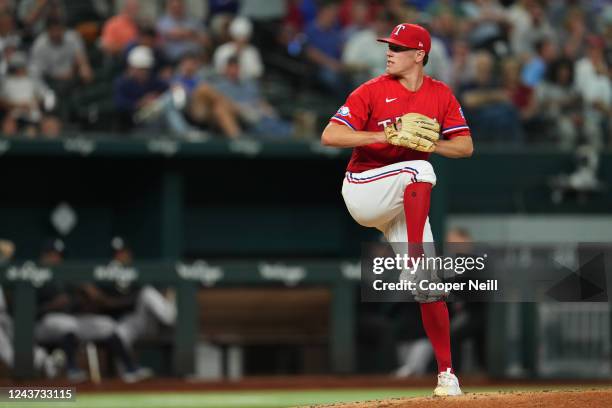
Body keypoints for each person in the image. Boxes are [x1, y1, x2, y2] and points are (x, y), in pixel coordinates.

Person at [321, 23, 473, 397]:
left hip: (407, 199)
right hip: (364, 189)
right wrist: (382, 135)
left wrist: (432, 141)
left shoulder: (440, 94)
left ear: (419, 55)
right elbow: (330, 136)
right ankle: (413, 261)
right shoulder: (371, 90)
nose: (389, 52)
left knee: (431, 287)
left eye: (398, 47)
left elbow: (465, 147)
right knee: (419, 169)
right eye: (388, 45)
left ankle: (446, 375)